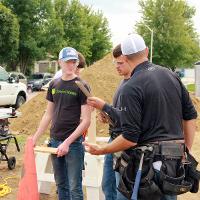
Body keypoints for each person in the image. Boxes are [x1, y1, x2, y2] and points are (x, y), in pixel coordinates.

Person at [85, 34, 198, 200]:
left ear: (125, 56)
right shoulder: (172, 76)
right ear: (146, 50)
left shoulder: (131, 87)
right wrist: (184, 150)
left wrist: (102, 150)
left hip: (145, 169)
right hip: (172, 163)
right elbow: (190, 116)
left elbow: (130, 138)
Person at [33, 47, 91, 200]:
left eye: (74, 62)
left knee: (75, 188)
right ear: (59, 62)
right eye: (67, 62)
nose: (71, 65)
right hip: (54, 141)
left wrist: (67, 143)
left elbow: (86, 120)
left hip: (73, 144)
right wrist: (35, 137)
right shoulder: (54, 85)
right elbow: (48, 114)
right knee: (61, 185)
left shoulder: (81, 86)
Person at [96, 44, 131, 200]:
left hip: (124, 144)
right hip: (114, 138)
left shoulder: (135, 85)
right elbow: (120, 115)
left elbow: (130, 120)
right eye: (115, 62)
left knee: (120, 190)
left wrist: (105, 107)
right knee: (107, 185)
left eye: (120, 63)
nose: (116, 66)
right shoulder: (122, 83)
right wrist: (107, 116)